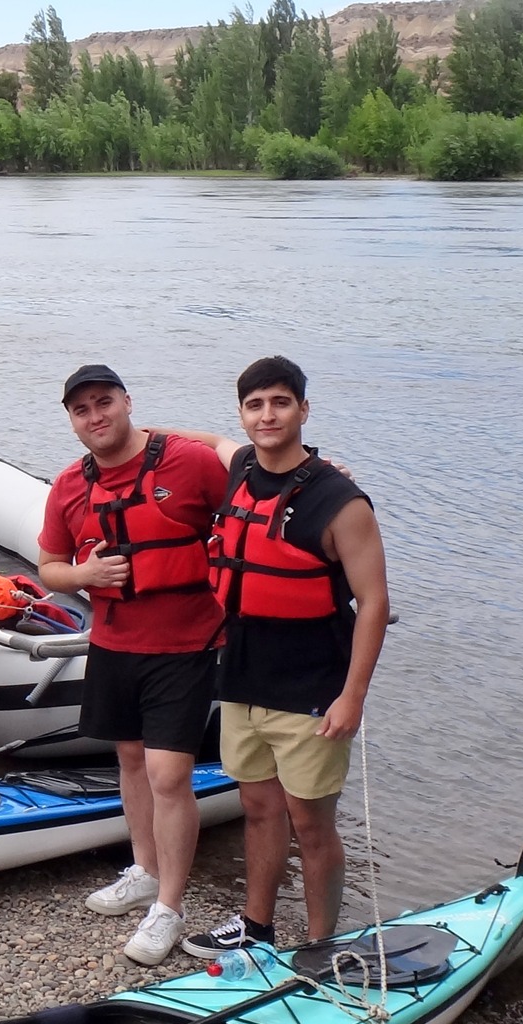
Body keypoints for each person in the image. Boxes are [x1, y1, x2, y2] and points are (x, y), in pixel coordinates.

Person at [172, 356, 390, 958]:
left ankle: (322, 943)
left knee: (312, 824)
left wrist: (353, 697)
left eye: (280, 402)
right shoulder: (242, 465)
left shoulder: (340, 501)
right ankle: (256, 925)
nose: (267, 415)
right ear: (243, 414)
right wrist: (140, 435)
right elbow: (210, 441)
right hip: (243, 677)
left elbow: (373, 603)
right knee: (258, 808)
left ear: (303, 410)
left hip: (313, 688)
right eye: (255, 405)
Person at [36, 364, 231, 965]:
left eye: (104, 403)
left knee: (170, 775)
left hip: (187, 642)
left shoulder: (188, 463)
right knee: (128, 759)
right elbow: (49, 566)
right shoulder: (70, 485)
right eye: (82, 410)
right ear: (71, 421)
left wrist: (324, 475)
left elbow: (258, 486)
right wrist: (85, 575)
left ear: (127, 403)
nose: (95, 417)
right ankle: (145, 869)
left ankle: (169, 907)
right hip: (117, 643)